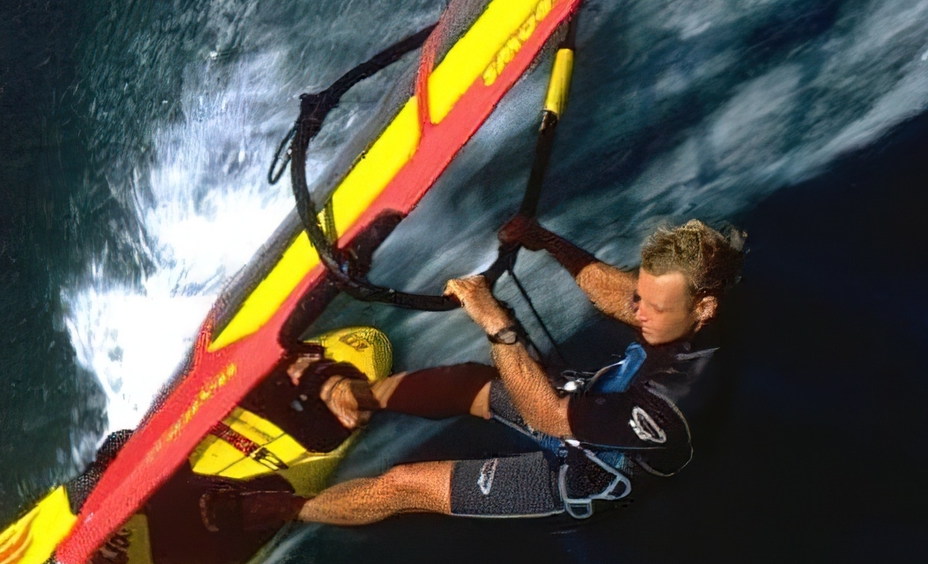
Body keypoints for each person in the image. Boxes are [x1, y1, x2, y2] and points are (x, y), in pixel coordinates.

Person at [199, 216, 744, 533]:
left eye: (651, 306)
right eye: (641, 295)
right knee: (465, 381)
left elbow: (547, 418)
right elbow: (618, 293)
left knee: (403, 485)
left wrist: (494, 321)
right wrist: (545, 239)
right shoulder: (681, 308)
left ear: (705, 308)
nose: (636, 311)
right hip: (597, 405)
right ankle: (355, 399)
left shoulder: (681, 397)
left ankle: (283, 510)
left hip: (585, 475)